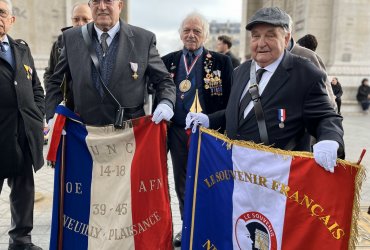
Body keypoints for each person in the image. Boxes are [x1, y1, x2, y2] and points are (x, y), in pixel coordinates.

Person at [186, 7, 344, 173]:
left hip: (278, 180)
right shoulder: (240, 72)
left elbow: (325, 117)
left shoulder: (305, 73)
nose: (261, 43)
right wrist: (209, 120)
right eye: (256, 36)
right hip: (239, 173)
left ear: (286, 38)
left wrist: (329, 139)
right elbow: (238, 115)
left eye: (270, 35)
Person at [161, 12, 233, 247]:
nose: (191, 35)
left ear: (206, 35)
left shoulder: (222, 62)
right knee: (182, 180)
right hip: (178, 132)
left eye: (197, 31)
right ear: (180, 33)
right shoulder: (168, 60)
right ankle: (186, 224)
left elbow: (231, 102)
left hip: (210, 134)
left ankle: (209, 224)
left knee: (211, 179)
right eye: (187, 30)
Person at [45, 0, 176, 127]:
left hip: (129, 133)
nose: (102, 7)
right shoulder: (71, 38)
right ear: (90, 5)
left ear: (120, 5)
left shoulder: (143, 39)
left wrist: (166, 103)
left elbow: (164, 80)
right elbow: (55, 81)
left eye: (108, 1)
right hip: (83, 133)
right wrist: (53, 116)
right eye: (96, 1)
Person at [0, 0, 45, 249]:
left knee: (23, 190)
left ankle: (20, 240)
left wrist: (37, 114)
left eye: (2, 13)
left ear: (11, 20)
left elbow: (35, 87)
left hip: (23, 133)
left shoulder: (21, 48)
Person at [43, 2, 92, 85]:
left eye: (85, 20)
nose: (80, 23)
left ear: (93, 20)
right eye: (76, 19)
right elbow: (50, 74)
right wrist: (53, 96)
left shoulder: (101, 41)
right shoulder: (59, 44)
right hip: (65, 97)